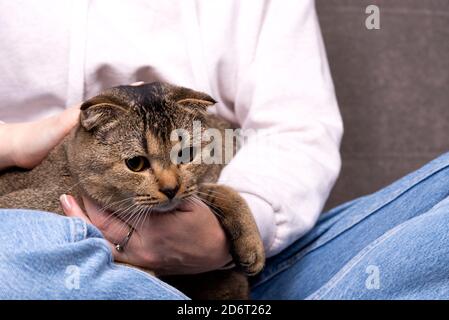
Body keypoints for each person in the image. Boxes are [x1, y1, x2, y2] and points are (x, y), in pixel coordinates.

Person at [2, 0, 449, 300]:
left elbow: (297, 129)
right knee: (19, 248)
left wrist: (229, 231)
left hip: (249, 268)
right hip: (52, 267)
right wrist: (14, 141)